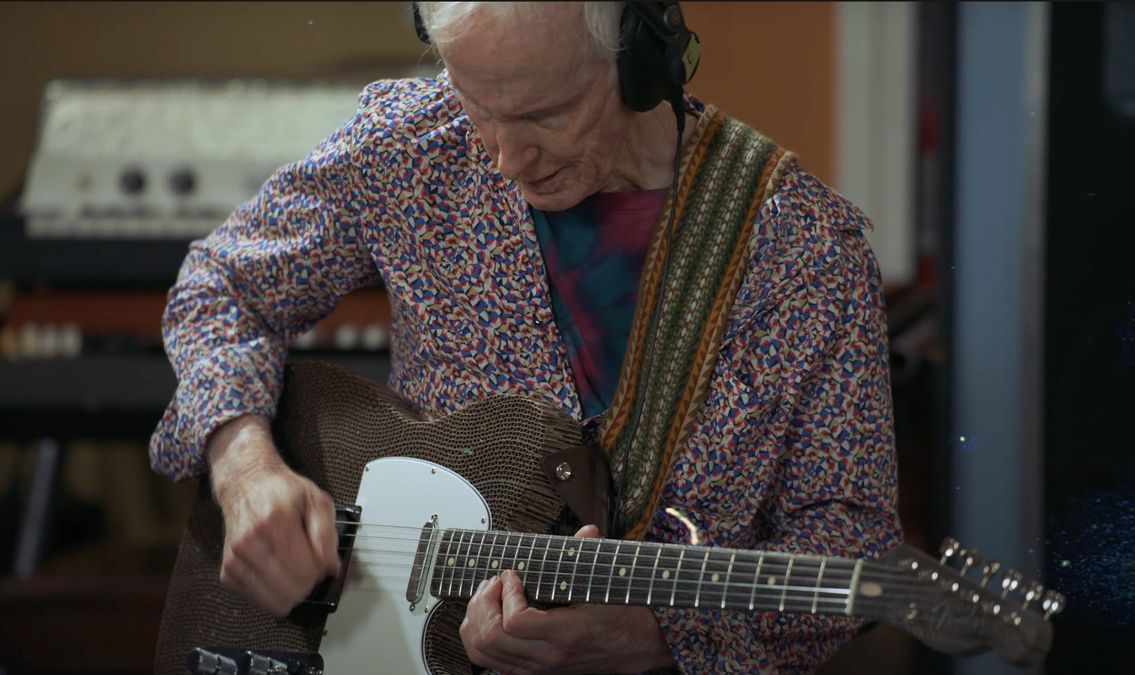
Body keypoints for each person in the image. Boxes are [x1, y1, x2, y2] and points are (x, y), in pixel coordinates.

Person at [149, 2, 902, 673]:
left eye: (544, 114)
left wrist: (654, 636)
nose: (506, 159)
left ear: (639, 61)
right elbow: (221, 289)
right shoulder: (409, 147)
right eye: (479, 106)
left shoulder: (805, 250)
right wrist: (244, 469)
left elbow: (850, 543)